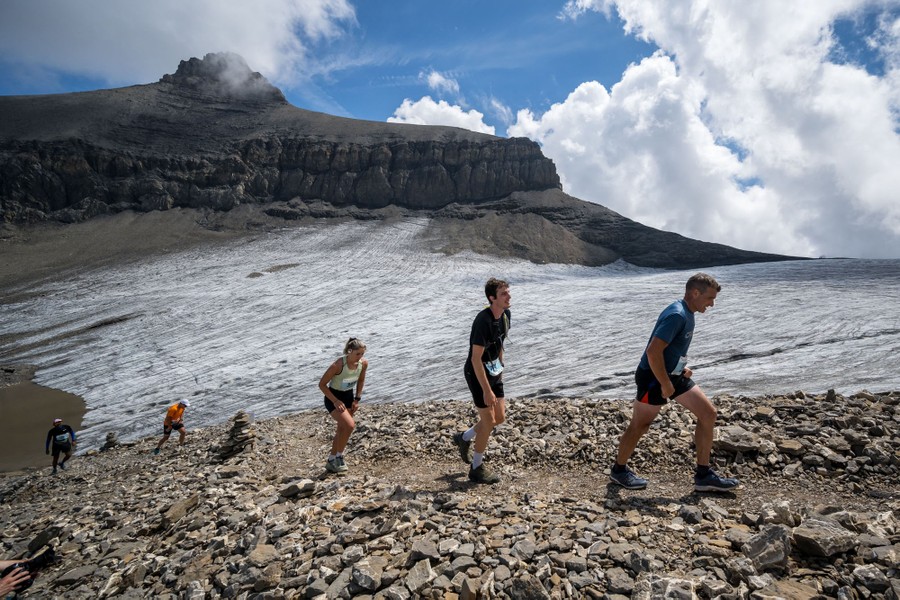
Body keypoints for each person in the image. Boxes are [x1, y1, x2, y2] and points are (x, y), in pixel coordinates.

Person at [610, 273, 740, 493]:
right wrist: (665, 383)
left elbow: (672, 348)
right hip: (653, 378)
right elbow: (653, 352)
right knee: (640, 425)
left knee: (708, 414)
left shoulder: (688, 312)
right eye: (710, 298)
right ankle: (619, 470)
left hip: (672, 375)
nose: (712, 304)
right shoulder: (677, 315)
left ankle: (703, 475)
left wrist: (680, 370)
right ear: (695, 293)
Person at [453, 277, 511, 484]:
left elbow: (501, 343)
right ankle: (476, 467)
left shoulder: (505, 315)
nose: (508, 296)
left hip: (494, 370)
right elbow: (475, 359)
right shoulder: (483, 321)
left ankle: (464, 438)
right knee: (489, 421)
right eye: (503, 293)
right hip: (477, 373)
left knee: (500, 417)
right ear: (491, 298)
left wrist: (500, 370)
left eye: (508, 292)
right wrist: (487, 390)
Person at [318, 338, 368, 473]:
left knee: (342, 429)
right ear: (349, 351)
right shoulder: (338, 365)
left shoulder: (363, 364)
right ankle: (339, 456)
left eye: (362, 354)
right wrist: (335, 401)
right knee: (350, 425)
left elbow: (361, 380)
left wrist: (357, 399)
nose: (360, 357)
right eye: (357, 354)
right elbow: (321, 385)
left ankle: (331, 460)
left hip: (349, 398)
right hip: (333, 398)